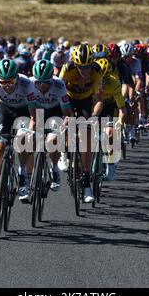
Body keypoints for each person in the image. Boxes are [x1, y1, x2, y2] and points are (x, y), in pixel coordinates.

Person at [0, 59, 37, 216]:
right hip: (5, 111)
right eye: (3, 82)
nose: (7, 85)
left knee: (22, 140)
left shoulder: (27, 84)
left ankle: (23, 174)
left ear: (16, 77)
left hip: (25, 111)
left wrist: (30, 131)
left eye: (10, 81)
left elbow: (34, 117)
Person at [59, 44, 103, 203]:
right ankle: (64, 151)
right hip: (67, 99)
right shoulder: (67, 69)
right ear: (75, 64)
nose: (84, 71)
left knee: (88, 135)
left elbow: (98, 101)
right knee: (65, 123)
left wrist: (94, 115)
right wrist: (66, 115)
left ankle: (86, 181)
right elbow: (58, 92)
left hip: (85, 100)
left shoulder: (97, 72)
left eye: (87, 67)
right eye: (80, 67)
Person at [30, 59, 73, 190]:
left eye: (46, 82)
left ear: (52, 79)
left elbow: (67, 111)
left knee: (53, 140)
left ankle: (54, 168)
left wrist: (65, 122)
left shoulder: (59, 85)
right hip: (36, 111)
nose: (42, 86)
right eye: (39, 82)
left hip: (54, 111)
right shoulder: (29, 83)